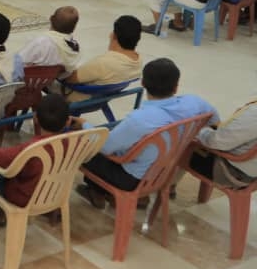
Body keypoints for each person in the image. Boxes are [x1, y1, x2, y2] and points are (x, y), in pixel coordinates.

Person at [78, 58, 218, 208]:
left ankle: (97, 191)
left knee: (85, 147)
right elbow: (215, 122)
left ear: (143, 83)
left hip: (133, 179)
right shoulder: (196, 103)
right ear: (176, 86)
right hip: (167, 172)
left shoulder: (139, 120)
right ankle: (136, 197)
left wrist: (84, 125)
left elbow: (105, 147)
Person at [0, 93, 73, 226]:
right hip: (54, 194)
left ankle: (1, 208)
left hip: (24, 197)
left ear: (35, 118)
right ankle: (50, 210)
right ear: (68, 121)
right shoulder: (75, 142)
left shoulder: (31, 149)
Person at [63, 15, 142, 98]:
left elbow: (70, 79)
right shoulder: (138, 60)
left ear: (114, 36)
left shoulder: (103, 63)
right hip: (103, 97)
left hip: (81, 99)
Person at [190, 98, 257, 187]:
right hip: (251, 174)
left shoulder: (254, 113)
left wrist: (199, 131)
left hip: (230, 173)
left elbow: (216, 142)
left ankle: (171, 185)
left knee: (183, 142)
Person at [14, 6, 81, 80]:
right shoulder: (73, 46)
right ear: (74, 27)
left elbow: (20, 60)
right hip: (49, 80)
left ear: (51, 19)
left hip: (29, 81)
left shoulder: (42, 41)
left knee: (16, 60)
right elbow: (68, 71)